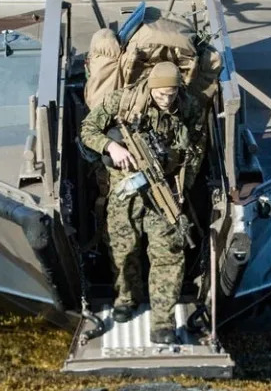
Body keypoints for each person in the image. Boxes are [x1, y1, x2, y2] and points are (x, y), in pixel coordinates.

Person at [79, 61, 205, 345]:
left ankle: (162, 322)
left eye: (171, 94)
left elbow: (197, 146)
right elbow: (87, 130)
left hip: (164, 188)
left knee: (169, 253)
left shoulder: (189, 107)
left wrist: (182, 183)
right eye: (161, 95)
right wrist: (111, 146)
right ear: (151, 87)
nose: (166, 100)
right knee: (123, 248)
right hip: (126, 187)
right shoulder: (122, 100)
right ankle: (126, 298)